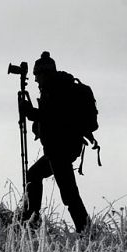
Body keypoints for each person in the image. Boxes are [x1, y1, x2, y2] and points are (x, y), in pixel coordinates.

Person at [19, 51, 92, 233]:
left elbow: (54, 118)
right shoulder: (53, 89)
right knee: (34, 175)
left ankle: (86, 231)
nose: (35, 80)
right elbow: (50, 118)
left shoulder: (56, 90)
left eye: (37, 75)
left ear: (45, 73)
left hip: (61, 150)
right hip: (58, 149)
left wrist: (31, 113)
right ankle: (31, 220)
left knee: (69, 194)